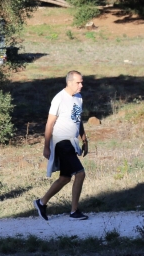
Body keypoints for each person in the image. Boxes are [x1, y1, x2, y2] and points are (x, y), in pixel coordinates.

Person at [34, 70, 89, 221]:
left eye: (82, 82)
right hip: (61, 141)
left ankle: (41, 202)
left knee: (65, 178)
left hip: (72, 142)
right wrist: (46, 146)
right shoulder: (59, 98)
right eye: (78, 82)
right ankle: (74, 211)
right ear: (69, 82)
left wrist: (84, 140)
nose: (81, 85)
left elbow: (78, 120)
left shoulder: (78, 98)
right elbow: (49, 123)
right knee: (80, 173)